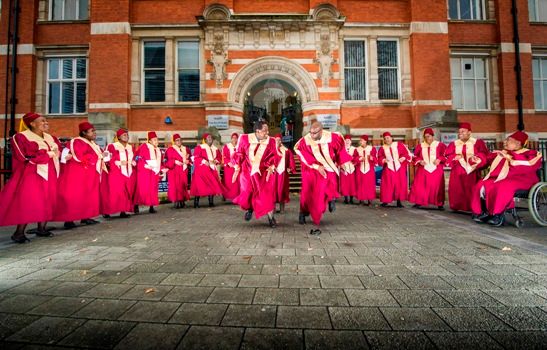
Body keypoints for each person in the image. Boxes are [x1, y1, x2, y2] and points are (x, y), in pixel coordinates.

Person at [0, 113, 61, 243]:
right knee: (27, 201)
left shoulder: (51, 138)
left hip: (50, 173)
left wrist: (61, 155)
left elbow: (58, 152)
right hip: (31, 174)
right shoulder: (20, 137)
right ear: (32, 123)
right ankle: (19, 232)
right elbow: (24, 157)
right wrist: (48, 154)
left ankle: (41, 228)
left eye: (46, 121)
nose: (46, 123)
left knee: (47, 199)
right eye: (42, 121)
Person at [471, 131, 542, 226]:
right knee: (482, 183)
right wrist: (477, 159)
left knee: (503, 186)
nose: (505, 142)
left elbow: (529, 164)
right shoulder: (502, 152)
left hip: (523, 180)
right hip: (503, 178)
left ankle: (497, 215)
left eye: (508, 140)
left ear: (518, 143)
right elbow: (487, 159)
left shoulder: (531, 153)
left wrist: (509, 158)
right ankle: (482, 212)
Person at [294, 121, 354, 234]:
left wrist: (342, 163)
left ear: (321, 131)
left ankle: (331, 199)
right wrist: (316, 166)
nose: (312, 135)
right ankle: (303, 212)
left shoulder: (333, 138)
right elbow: (302, 154)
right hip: (311, 170)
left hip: (328, 168)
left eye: (315, 133)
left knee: (328, 187)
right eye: (310, 133)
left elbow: (339, 151)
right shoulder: (304, 141)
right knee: (307, 194)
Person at [55, 121, 106, 228]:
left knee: (88, 195)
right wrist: (98, 157)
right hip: (77, 174)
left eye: (94, 131)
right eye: (92, 131)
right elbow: (79, 156)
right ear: (84, 132)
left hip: (90, 174)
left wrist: (103, 155)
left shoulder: (93, 144)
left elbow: (98, 154)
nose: (94, 133)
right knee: (75, 195)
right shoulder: (77, 141)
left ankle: (86, 217)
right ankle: (69, 220)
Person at [232, 120, 279, 227]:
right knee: (248, 193)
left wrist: (272, 166)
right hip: (247, 173)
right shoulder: (244, 138)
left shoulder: (271, 141)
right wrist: (236, 167)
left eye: (267, 131)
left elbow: (275, 156)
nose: (267, 133)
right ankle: (250, 208)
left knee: (266, 195)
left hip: (263, 173)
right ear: (257, 131)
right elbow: (239, 154)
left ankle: (271, 218)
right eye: (264, 131)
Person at [445, 122, 489, 212]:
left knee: (472, 189)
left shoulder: (477, 143)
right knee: (457, 189)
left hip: (472, 170)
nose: (460, 133)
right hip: (457, 171)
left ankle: (472, 207)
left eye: (463, 131)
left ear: (469, 132)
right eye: (459, 132)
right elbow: (447, 155)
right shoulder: (454, 144)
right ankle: (457, 206)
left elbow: (484, 154)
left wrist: (477, 158)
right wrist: (454, 157)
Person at [100, 128, 136, 218]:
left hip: (128, 172)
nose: (126, 136)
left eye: (127, 135)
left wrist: (134, 162)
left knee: (126, 192)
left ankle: (123, 211)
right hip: (116, 172)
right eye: (124, 135)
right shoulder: (112, 146)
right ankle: (107, 211)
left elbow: (135, 157)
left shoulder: (130, 147)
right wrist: (117, 162)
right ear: (118, 137)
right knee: (116, 192)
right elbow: (106, 158)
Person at [409, 128, 447, 210]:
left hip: (436, 169)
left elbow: (446, 155)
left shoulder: (440, 145)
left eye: (428, 136)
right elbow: (415, 157)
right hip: (423, 169)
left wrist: (439, 159)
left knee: (437, 187)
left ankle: (439, 203)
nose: (427, 138)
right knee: (419, 186)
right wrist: (420, 161)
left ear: (433, 136)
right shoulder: (420, 146)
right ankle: (418, 202)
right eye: (425, 137)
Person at [378, 132, 412, 207]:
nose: (386, 139)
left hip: (399, 168)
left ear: (391, 138)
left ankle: (399, 201)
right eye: (385, 138)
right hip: (388, 168)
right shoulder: (382, 148)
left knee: (399, 184)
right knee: (387, 185)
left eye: (388, 138)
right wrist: (383, 160)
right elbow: (380, 157)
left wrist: (403, 157)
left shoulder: (399, 144)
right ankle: (385, 201)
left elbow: (407, 154)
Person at [134, 131, 165, 214]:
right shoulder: (144, 146)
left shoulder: (158, 150)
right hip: (145, 172)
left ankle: (151, 206)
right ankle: (136, 205)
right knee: (142, 189)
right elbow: (139, 158)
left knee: (153, 190)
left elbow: (160, 162)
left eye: (157, 140)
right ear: (150, 141)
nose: (156, 141)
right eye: (154, 140)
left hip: (154, 173)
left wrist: (161, 169)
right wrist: (147, 166)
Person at [190, 133, 223, 208]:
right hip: (202, 169)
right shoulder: (200, 147)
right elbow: (196, 157)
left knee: (211, 185)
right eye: (208, 137)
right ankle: (196, 202)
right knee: (198, 186)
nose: (210, 138)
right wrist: (205, 161)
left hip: (212, 169)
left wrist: (216, 161)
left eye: (211, 137)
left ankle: (211, 201)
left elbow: (219, 158)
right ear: (205, 139)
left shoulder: (215, 149)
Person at [165, 133, 191, 208]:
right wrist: (174, 161)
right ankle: (176, 202)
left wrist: (188, 161)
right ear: (174, 141)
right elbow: (166, 161)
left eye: (180, 140)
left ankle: (182, 201)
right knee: (176, 186)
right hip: (174, 170)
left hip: (183, 170)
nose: (179, 141)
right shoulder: (170, 149)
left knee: (183, 185)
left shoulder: (186, 149)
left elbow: (189, 158)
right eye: (177, 140)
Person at [274, 133, 296, 214]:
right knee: (273, 191)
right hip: (274, 173)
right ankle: (272, 208)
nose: (278, 141)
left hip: (283, 174)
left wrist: (290, 168)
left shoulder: (286, 151)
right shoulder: (272, 150)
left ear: (281, 141)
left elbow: (291, 160)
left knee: (282, 190)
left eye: (279, 140)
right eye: (276, 140)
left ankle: (282, 209)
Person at [354, 135, 377, 206]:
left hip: (369, 169)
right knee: (360, 184)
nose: (360, 142)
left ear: (365, 141)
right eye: (360, 140)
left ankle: (369, 200)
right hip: (360, 169)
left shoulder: (372, 148)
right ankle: (361, 200)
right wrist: (359, 158)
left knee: (369, 184)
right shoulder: (357, 149)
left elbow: (376, 159)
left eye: (361, 140)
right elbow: (354, 158)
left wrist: (371, 158)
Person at [222, 132, 240, 202]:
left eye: (236, 138)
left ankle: (237, 197)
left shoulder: (239, 146)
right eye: (233, 138)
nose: (234, 139)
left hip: (237, 167)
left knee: (237, 182)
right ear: (231, 139)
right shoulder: (227, 146)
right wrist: (228, 162)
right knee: (230, 182)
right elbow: (224, 156)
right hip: (229, 167)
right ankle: (229, 196)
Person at [340, 135, 357, 204]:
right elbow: (339, 158)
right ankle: (346, 198)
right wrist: (341, 165)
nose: (347, 141)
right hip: (344, 168)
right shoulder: (341, 149)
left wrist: (354, 162)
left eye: (348, 140)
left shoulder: (354, 149)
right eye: (346, 140)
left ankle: (351, 199)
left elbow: (356, 157)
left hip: (352, 168)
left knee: (352, 184)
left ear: (351, 142)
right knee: (345, 184)